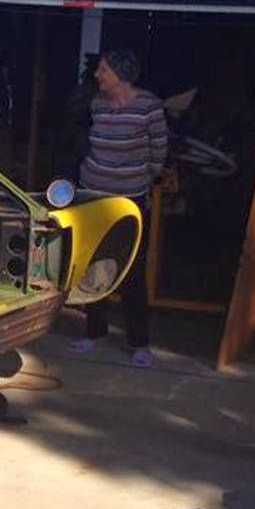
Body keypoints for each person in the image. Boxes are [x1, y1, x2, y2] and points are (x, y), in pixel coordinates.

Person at [68, 50, 168, 367]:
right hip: (95, 196)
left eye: (104, 71)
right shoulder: (97, 104)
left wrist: (143, 177)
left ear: (121, 75)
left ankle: (138, 342)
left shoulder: (147, 106)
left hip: (129, 200)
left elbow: (158, 149)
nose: (98, 76)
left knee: (131, 270)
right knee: (93, 264)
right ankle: (94, 332)